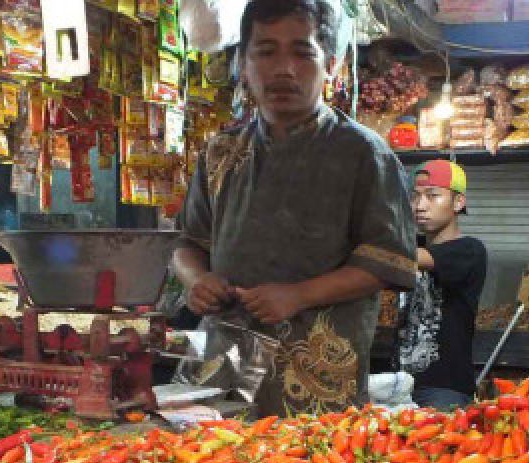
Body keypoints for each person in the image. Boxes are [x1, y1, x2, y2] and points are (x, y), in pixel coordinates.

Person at [170, 0, 417, 417]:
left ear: (330, 64)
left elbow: (388, 262)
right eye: (265, 51)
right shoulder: (220, 150)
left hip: (316, 377)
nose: (284, 68)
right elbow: (186, 243)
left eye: (302, 53)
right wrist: (196, 280)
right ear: (243, 64)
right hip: (223, 366)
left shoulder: (362, 153)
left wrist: (298, 295)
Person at [397, 159, 487, 411]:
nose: (420, 205)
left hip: (444, 390)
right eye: (415, 197)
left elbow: (408, 258)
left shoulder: (469, 250)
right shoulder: (409, 246)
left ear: (458, 202)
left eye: (432, 196)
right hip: (400, 384)